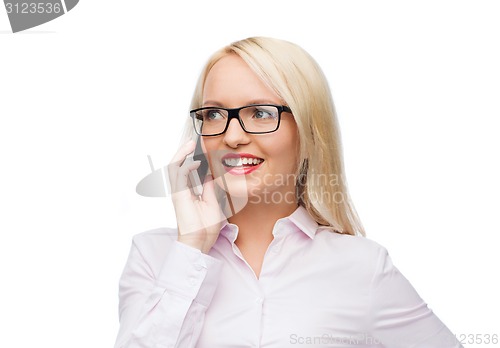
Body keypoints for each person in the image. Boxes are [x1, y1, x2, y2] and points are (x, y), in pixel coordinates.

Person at [114, 37, 463, 348]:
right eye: (215, 114)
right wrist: (192, 246)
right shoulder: (155, 256)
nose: (233, 136)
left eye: (261, 113)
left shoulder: (361, 267)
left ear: (309, 130)